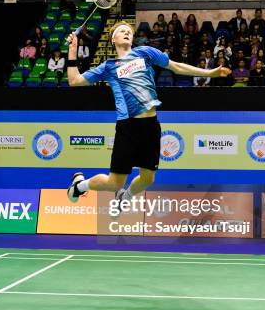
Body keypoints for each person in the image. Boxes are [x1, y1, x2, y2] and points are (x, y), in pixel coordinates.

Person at [65, 22, 231, 204]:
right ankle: (79, 185)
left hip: (151, 125)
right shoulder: (108, 66)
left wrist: (210, 73)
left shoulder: (144, 53)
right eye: (122, 31)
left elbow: (176, 66)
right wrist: (73, 51)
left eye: (129, 31)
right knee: (114, 182)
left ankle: (125, 197)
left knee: (148, 179)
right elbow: (74, 80)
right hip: (128, 126)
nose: (127, 33)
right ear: (113, 39)